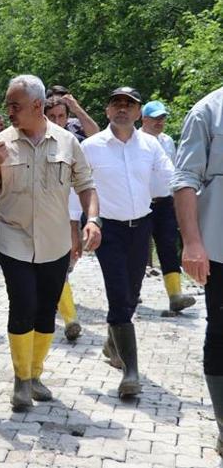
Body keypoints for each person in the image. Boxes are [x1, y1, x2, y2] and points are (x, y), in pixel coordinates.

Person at [0, 75, 100, 410]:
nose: (9, 111)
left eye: (14, 106)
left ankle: (35, 374)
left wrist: (92, 220)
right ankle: (20, 380)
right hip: (13, 238)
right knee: (23, 305)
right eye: (8, 105)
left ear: (36, 106)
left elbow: (86, 186)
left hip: (55, 241)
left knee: (46, 310)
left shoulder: (66, 142)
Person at [81, 87, 173, 398]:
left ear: (138, 113)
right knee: (119, 294)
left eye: (129, 105)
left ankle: (112, 342)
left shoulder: (151, 146)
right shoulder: (91, 147)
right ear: (107, 111)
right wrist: (76, 227)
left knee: (132, 293)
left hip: (141, 227)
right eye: (116, 104)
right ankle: (130, 372)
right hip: (109, 231)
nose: (122, 109)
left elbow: (168, 181)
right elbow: (76, 189)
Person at [171, 86, 223, 456]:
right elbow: (185, 177)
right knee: (221, 332)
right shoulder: (208, 111)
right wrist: (192, 242)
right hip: (220, 246)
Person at [140, 100, 196, 313]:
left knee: (168, 248)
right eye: (155, 118)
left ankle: (175, 295)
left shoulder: (168, 141)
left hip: (164, 203)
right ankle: (131, 293)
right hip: (141, 204)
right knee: (136, 252)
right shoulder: (135, 141)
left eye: (162, 118)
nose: (159, 122)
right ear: (144, 119)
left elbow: (174, 172)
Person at [44, 96, 86, 341]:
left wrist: (75, 227)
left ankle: (67, 316)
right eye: (53, 117)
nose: (57, 121)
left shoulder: (73, 143)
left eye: (62, 116)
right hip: (39, 219)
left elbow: (78, 188)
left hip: (67, 217)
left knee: (62, 269)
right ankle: (70, 318)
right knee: (57, 270)